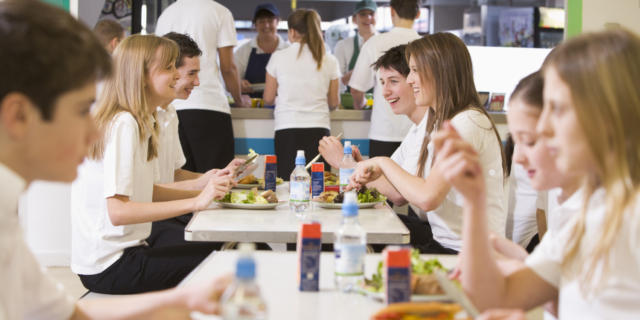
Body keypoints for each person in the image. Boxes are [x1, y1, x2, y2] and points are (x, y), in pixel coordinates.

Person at [0, 1, 230, 318]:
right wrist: (196, 197)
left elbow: (63, 312)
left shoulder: (7, 214)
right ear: (19, 116)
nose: (95, 134)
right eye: (82, 111)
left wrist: (180, 302)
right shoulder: (123, 123)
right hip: (115, 261)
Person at [437, 29, 640, 319]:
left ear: (606, 114)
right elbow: (496, 296)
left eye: (556, 108)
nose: (544, 126)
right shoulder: (588, 210)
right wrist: (474, 200)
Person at [71, 34, 236, 294]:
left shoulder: (141, 121)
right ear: (141, 75)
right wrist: (196, 201)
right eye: (169, 67)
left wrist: (208, 194)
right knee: (233, 259)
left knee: (232, 249)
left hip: (128, 253)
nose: (176, 75)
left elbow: (148, 190)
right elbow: (118, 212)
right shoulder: (124, 123)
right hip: (111, 266)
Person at [348, 33, 506, 254]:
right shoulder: (438, 120)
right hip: (447, 243)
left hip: (469, 253)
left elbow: (427, 197)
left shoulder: (467, 123)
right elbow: (400, 191)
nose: (410, 79)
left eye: (415, 71)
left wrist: (382, 162)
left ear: (441, 72)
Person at [156, 0, 251, 174]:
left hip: (172, 105)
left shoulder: (166, 14)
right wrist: (239, 99)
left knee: (179, 176)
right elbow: (228, 67)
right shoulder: (220, 12)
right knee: (219, 179)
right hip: (209, 104)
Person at [263, 9, 340, 178]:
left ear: (292, 31)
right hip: (319, 131)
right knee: (319, 187)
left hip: (287, 129)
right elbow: (334, 103)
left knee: (287, 184)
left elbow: (268, 98)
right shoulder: (329, 60)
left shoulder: (278, 57)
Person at [348, 0, 421, 159]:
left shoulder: (375, 42)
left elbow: (356, 89)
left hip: (384, 133)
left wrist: (359, 104)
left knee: (377, 182)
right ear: (418, 14)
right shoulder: (426, 46)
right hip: (420, 131)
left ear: (391, 11)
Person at [235, 3, 290, 99]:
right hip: (250, 109)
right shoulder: (243, 51)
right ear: (255, 24)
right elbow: (230, 83)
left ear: (277, 22)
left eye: (270, 20)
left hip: (283, 107)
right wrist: (238, 84)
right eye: (261, 21)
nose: (266, 25)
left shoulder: (288, 50)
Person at [333, 0, 377, 94]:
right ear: (354, 19)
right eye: (362, 14)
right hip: (351, 105)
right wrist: (354, 73)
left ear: (377, 16)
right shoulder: (343, 45)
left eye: (371, 13)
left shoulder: (386, 43)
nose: (368, 17)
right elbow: (336, 83)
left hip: (380, 105)